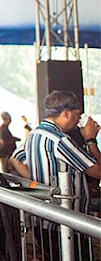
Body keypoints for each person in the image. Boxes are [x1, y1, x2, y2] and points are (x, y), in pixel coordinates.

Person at [14, 90, 100, 259]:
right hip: (65, 223)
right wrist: (90, 140)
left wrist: (37, 181)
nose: (78, 120)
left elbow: (15, 159)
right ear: (66, 113)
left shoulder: (35, 134)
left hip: (42, 220)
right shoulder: (60, 140)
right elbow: (98, 172)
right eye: (77, 115)